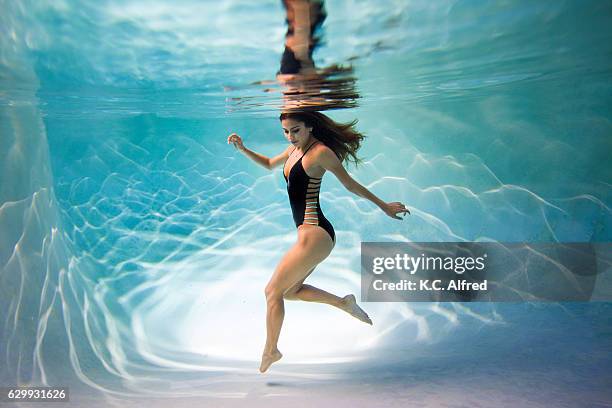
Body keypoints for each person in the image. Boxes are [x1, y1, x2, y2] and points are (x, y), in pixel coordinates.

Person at [227, 110, 410, 373]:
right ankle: (342, 303)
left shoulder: (320, 152)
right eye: (286, 131)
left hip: (316, 233)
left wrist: (384, 206)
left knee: (272, 292)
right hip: (311, 234)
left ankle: (271, 350)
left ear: (310, 127)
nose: (290, 136)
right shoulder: (294, 150)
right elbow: (268, 163)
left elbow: (350, 185)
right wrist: (243, 148)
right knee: (288, 292)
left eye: (296, 130)